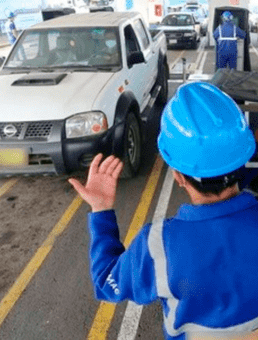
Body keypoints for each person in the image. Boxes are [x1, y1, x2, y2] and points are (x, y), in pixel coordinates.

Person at [68, 81, 258, 339]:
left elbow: (107, 283)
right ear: (242, 157)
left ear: (178, 175)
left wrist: (101, 210)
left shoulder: (159, 245)